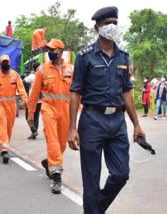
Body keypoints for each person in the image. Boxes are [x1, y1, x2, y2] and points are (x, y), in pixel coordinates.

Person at [68, 6, 146, 214]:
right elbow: (75, 91)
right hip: (92, 120)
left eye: (114, 23)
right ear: (97, 28)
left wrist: (136, 124)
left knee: (121, 174)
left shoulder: (123, 56)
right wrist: (72, 128)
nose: (111, 27)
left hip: (117, 122)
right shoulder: (85, 56)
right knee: (91, 181)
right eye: (107, 23)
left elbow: (127, 92)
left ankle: (94, 209)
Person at [27, 39, 73, 194]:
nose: (49, 52)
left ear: (60, 51)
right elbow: (34, 95)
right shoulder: (42, 70)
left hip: (66, 110)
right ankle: (57, 176)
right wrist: (31, 114)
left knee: (61, 144)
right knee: (52, 140)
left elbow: (78, 93)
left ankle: (50, 162)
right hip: (49, 108)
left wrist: (82, 111)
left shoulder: (71, 70)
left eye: (52, 50)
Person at [0, 54, 28, 164]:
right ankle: (4, 149)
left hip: (12, 106)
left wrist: (26, 100)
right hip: (0, 105)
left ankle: (3, 143)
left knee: (9, 127)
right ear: (0, 64)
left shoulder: (15, 75)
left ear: (9, 63)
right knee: (2, 125)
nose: (5, 64)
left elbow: (21, 88)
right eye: (3, 63)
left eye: (6, 62)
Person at [24, 61, 41, 140]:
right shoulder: (41, 75)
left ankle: (33, 130)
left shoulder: (32, 76)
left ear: (33, 68)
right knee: (36, 116)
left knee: (28, 116)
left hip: (32, 100)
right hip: (40, 100)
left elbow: (24, 81)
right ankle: (34, 132)